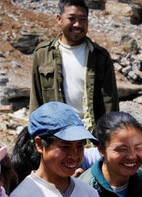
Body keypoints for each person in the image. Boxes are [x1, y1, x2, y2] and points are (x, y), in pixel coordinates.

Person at [29, 0, 119, 129]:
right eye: (71, 19)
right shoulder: (43, 54)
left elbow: (110, 103)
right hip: (57, 133)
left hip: (91, 135)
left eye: (83, 20)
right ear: (59, 19)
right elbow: (36, 99)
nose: (77, 25)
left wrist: (109, 136)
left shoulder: (100, 56)